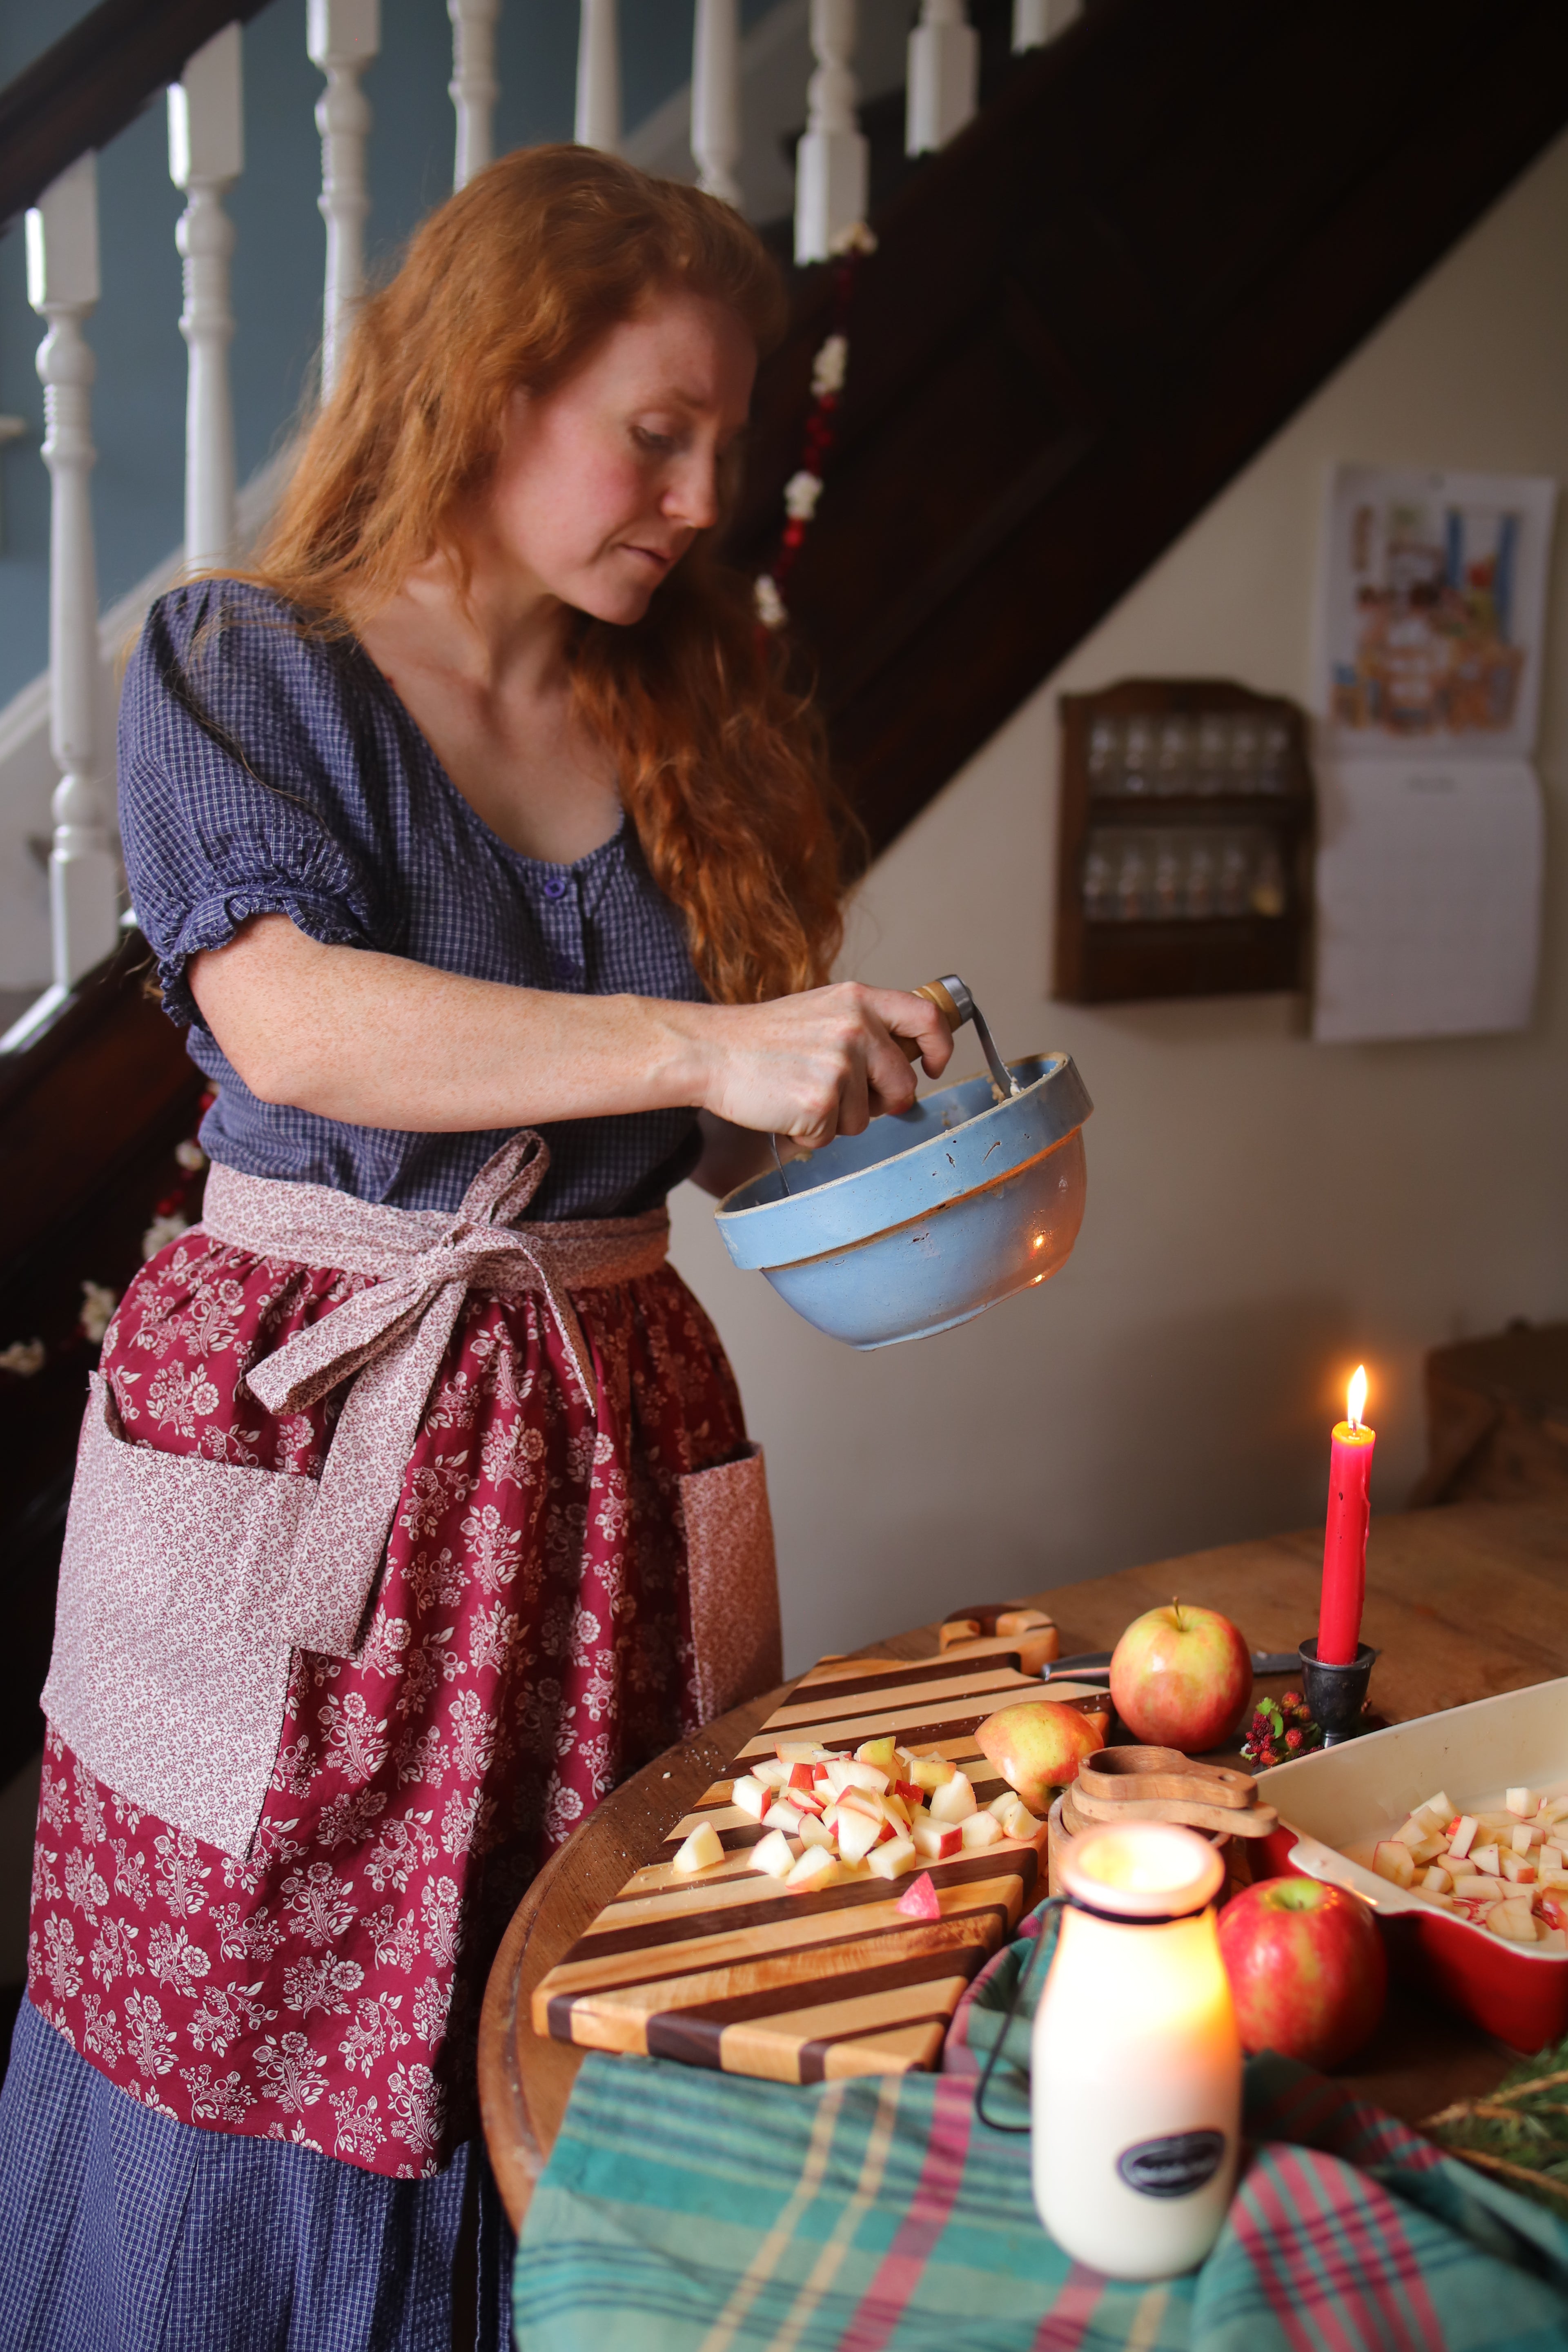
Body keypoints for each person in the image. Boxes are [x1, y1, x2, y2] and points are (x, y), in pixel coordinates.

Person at [0, 148, 951, 2350]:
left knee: (594, 1983)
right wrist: (707, 1031)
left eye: (732, 441)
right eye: (658, 428)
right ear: (487, 382)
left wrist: (851, 1118)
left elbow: (685, 1154)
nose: (704, 495)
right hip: (315, 1447)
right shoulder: (245, 661)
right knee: (237, 1998)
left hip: (610, 1471)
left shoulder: (689, 717)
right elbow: (291, 1010)